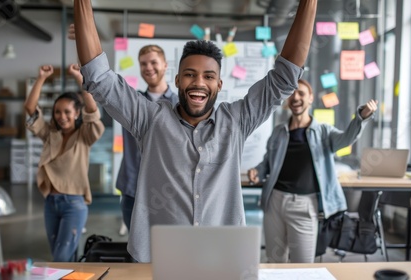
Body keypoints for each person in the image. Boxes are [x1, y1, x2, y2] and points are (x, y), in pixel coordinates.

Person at [73, 0, 317, 262]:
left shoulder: (236, 120)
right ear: (177, 80)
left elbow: (284, 76)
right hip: (159, 257)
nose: (198, 82)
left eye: (208, 76)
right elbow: (99, 77)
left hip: (221, 256)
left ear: (219, 84)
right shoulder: (150, 119)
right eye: (189, 74)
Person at [247, 79, 378, 263]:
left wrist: (361, 117)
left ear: (310, 99)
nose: (296, 97)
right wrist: (257, 171)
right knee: (274, 261)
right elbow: (268, 163)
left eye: (301, 93)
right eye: (292, 94)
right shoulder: (278, 132)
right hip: (274, 202)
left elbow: (346, 139)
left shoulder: (323, 132)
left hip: (306, 206)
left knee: (302, 265)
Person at [24, 63, 105, 262]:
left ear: (77, 113)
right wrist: (41, 78)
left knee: (60, 257)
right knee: (63, 257)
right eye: (58, 112)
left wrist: (79, 78)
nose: (62, 117)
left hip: (74, 204)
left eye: (67, 112)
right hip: (51, 202)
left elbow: (92, 110)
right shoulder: (50, 134)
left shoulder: (84, 135)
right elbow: (30, 109)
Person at [115, 45, 179, 233]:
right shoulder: (130, 103)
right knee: (137, 253)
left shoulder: (180, 106)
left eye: (153, 62)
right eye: (143, 64)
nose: (148, 67)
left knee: (166, 249)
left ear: (165, 65)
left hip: (167, 193)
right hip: (132, 191)